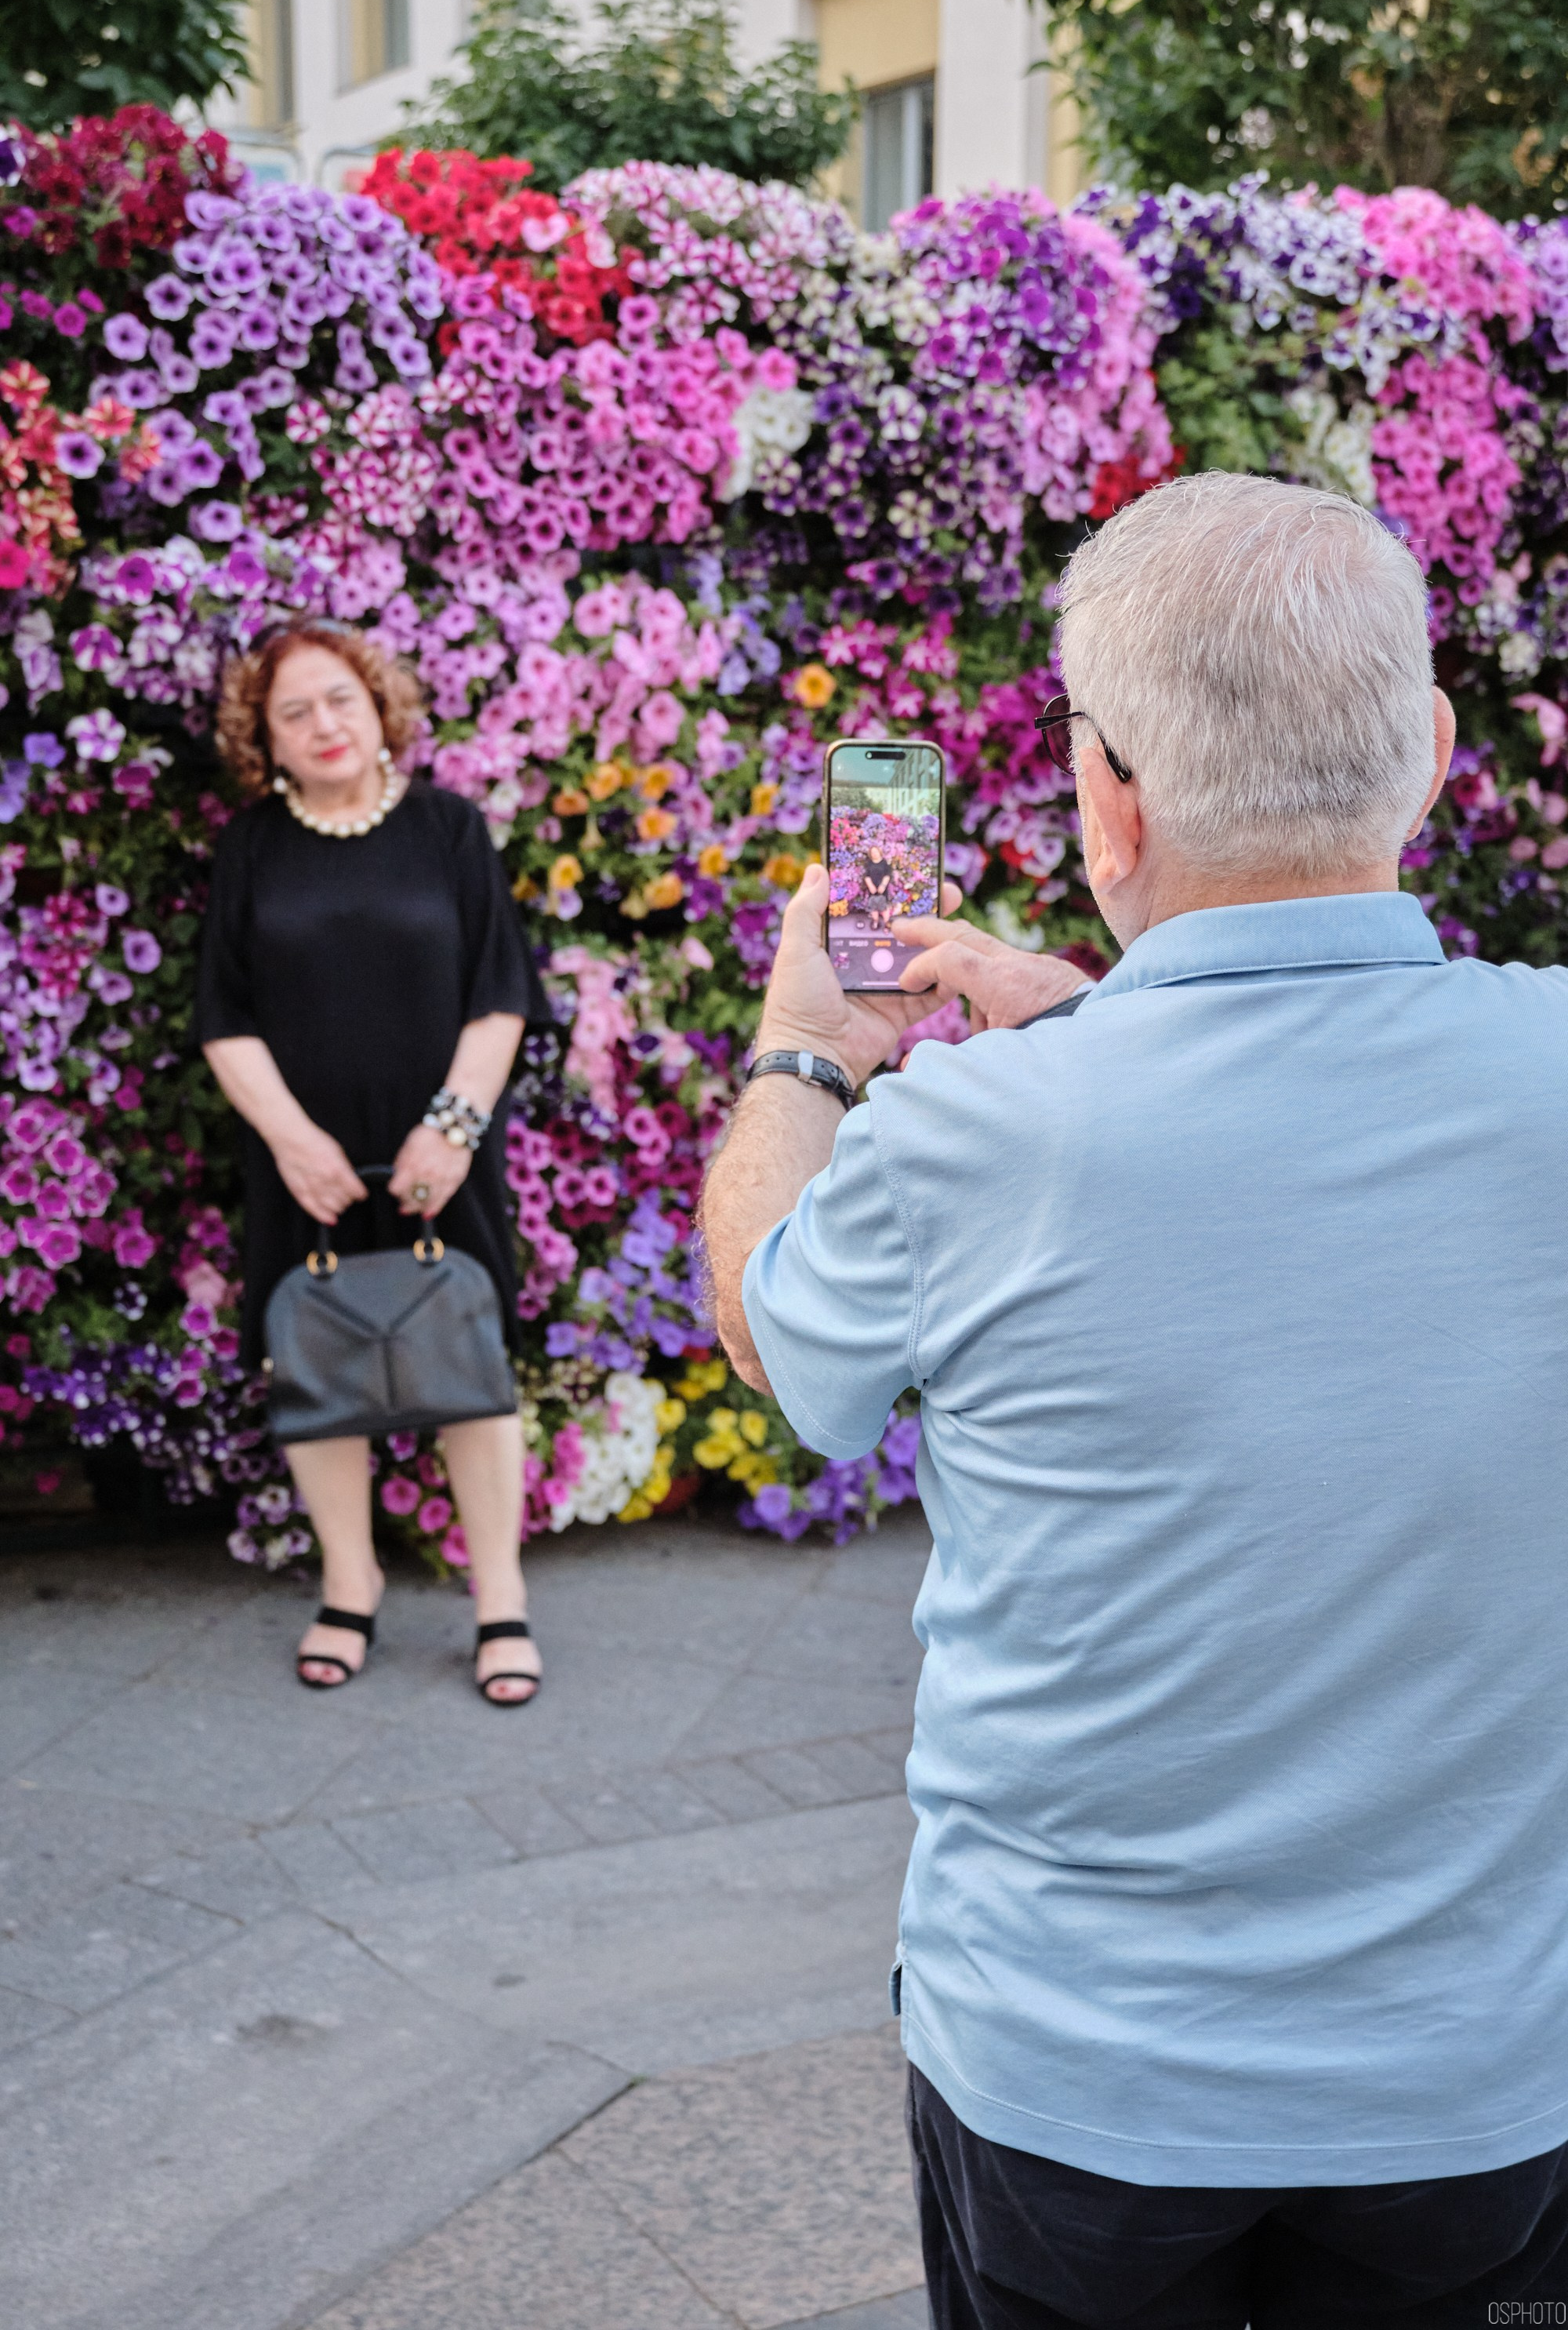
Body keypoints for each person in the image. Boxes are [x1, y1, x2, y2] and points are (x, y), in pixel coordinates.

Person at [701, 474, 1568, 2322]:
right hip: (1481, 2075)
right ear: (1427, 755)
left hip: (1077, 2079)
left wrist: (804, 1049)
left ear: (1108, 801)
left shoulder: (975, 1133)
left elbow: (784, 1354)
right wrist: (1086, 1022)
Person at [198, 622, 554, 1706]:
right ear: (265, 738)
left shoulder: (447, 828)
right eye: (293, 712)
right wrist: (291, 1141)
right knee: (317, 1365)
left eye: (339, 699)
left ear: (377, 704)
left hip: (443, 1157)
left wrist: (451, 1127)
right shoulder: (251, 847)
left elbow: (500, 993)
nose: (323, 725)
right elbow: (224, 1016)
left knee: (472, 1372)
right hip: (304, 1168)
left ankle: (501, 1604)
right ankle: (349, 1589)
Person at [861, 840, 897, 931]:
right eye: (872, 852)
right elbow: (867, 876)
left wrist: (883, 886)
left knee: (884, 907)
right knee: (874, 907)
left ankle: (887, 924)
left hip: (882, 889)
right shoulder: (869, 864)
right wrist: (870, 886)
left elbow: (887, 875)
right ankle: (876, 921)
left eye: (876, 852)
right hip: (872, 889)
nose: (874, 854)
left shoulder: (884, 863)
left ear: (879, 852)